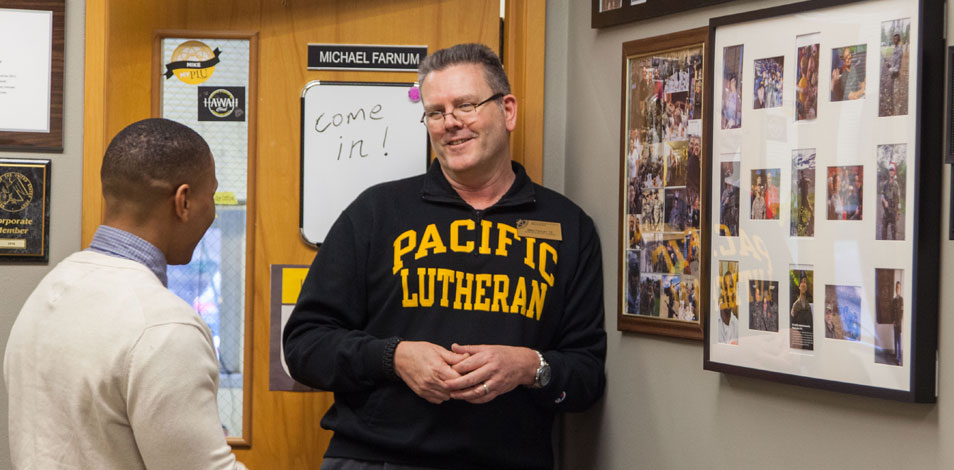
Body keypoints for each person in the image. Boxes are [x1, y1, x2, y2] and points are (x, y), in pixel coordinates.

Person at [282, 44, 606, 470]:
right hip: (377, 459)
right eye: (436, 112)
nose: (451, 123)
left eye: (466, 105)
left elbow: (586, 375)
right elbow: (305, 346)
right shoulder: (377, 213)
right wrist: (393, 358)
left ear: (507, 111)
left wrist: (530, 366)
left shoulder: (568, 227)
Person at [4, 119, 246, 469]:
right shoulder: (163, 326)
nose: (213, 211)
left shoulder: (49, 291)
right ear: (184, 201)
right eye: (211, 195)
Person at [881, 162, 901, 239]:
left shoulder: (896, 185)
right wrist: (885, 201)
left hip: (893, 211)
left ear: (894, 172)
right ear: (888, 172)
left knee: (894, 233)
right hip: (886, 211)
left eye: (892, 170)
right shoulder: (885, 184)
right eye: (890, 170)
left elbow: (899, 200)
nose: (891, 171)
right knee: (883, 231)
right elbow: (882, 195)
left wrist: (899, 212)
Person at [891, 281, 904, 364]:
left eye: (898, 287)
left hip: (899, 322)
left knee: (899, 340)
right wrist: (893, 320)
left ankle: (899, 359)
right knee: (895, 339)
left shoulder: (901, 299)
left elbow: (901, 312)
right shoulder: (894, 299)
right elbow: (892, 311)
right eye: (896, 287)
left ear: (900, 289)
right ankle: (896, 355)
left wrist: (899, 321)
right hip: (895, 322)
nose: (897, 289)